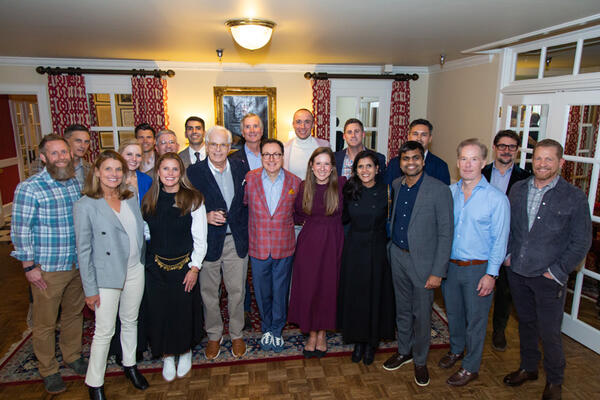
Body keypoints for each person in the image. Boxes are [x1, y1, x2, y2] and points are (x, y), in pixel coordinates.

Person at [503, 139, 592, 400]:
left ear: (560, 163)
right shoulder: (518, 190)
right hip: (518, 272)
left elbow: (581, 241)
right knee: (526, 324)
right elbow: (509, 227)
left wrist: (557, 271)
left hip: (549, 278)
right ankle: (529, 368)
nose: (542, 164)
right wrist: (508, 255)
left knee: (550, 332)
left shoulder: (574, 197)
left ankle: (555, 380)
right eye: (538, 158)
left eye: (548, 159)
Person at [10, 134, 87, 394]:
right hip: (48, 269)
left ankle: (72, 355)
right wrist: (29, 267)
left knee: (73, 314)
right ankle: (48, 369)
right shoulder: (29, 188)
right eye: (54, 153)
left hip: (76, 263)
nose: (61, 157)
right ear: (43, 158)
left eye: (64, 152)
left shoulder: (74, 183)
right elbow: (20, 231)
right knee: (44, 323)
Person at [74, 151, 149, 400]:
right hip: (106, 276)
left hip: (134, 269)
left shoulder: (130, 197)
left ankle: (130, 365)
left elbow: (138, 232)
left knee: (130, 321)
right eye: (108, 169)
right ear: (96, 172)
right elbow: (83, 251)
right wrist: (90, 289)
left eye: (118, 169)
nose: (114, 174)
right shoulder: (85, 205)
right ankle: (95, 382)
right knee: (104, 331)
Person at [439, 138, 509, 386]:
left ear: (484, 162)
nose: (468, 164)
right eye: (464, 159)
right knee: (454, 315)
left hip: (478, 269)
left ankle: (471, 366)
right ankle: (456, 350)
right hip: (451, 267)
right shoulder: (449, 193)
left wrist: (491, 275)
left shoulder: (496, 199)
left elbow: (500, 241)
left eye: (474, 159)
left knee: (476, 322)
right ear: (457, 162)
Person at [382, 141, 453, 385]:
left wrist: (438, 272)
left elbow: (446, 234)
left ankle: (420, 361)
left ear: (423, 161)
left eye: (415, 158)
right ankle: (405, 351)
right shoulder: (396, 185)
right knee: (402, 309)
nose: (410, 163)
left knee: (421, 314)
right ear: (400, 162)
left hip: (424, 263)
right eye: (405, 159)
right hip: (398, 256)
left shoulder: (439, 190)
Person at [142, 153, 207, 381]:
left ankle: (185, 351)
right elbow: (147, 233)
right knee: (160, 311)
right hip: (155, 267)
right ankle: (168, 355)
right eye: (165, 169)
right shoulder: (149, 199)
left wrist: (195, 268)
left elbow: (200, 238)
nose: (170, 174)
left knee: (182, 311)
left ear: (181, 172)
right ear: (158, 172)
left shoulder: (194, 199)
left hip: (184, 267)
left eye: (174, 169)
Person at [187, 126, 249, 360]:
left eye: (223, 145)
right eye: (213, 144)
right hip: (207, 242)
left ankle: (236, 334)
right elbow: (184, 206)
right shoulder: (194, 172)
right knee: (209, 293)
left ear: (230, 147)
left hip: (236, 241)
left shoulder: (241, 168)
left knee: (236, 291)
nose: (218, 149)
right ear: (206, 145)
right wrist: (204, 217)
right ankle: (214, 335)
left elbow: (246, 204)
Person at [337, 150, 395, 366]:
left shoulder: (387, 191)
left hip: (377, 248)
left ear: (377, 169)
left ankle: (372, 342)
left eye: (369, 166)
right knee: (357, 295)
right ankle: (358, 341)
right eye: (360, 167)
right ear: (355, 170)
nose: (365, 170)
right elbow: (343, 218)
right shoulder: (349, 189)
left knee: (374, 294)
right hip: (354, 248)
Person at [244, 139, 301, 352]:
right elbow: (243, 207)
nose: (271, 159)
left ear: (282, 157)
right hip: (258, 246)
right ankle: (266, 327)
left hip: (283, 246)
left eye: (276, 154)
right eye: (267, 154)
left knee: (280, 290)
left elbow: (298, 212)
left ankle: (277, 329)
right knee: (261, 291)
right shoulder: (250, 179)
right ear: (261, 157)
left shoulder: (295, 182)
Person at [288, 147, 345, 358]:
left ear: (332, 168)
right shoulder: (304, 187)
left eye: (326, 164)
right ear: (311, 166)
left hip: (333, 242)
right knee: (310, 288)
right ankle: (311, 333)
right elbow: (296, 214)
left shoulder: (341, 185)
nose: (322, 168)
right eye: (318, 163)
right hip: (309, 244)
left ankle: (322, 333)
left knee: (327, 288)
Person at [482, 130, 530, 352]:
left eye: (511, 146)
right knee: (478, 289)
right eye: (502, 146)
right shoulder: (481, 172)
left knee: (504, 292)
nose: (506, 150)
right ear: (494, 147)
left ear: (517, 150)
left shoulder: (525, 178)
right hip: (481, 242)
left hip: (508, 242)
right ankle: (475, 329)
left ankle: (499, 331)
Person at [228, 113, 264, 329]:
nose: (252, 130)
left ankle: (265, 306)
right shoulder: (233, 158)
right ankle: (246, 310)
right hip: (242, 220)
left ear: (262, 130)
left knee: (261, 268)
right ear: (242, 132)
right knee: (241, 269)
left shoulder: (274, 152)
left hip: (266, 222)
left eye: (256, 126)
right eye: (248, 127)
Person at [384, 119, 451, 185]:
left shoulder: (440, 166)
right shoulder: (394, 163)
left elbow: (443, 193)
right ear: (408, 137)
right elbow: (388, 192)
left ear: (430, 138)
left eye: (424, 135)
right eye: (415, 134)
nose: (419, 138)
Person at [283, 108, 329, 179]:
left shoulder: (324, 146)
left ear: (313, 124)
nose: (302, 126)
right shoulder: (284, 149)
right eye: (298, 122)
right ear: (293, 124)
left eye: (307, 122)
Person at [118, 139, 153, 205]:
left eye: (138, 155)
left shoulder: (147, 180)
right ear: (120, 155)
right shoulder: (112, 179)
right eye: (129, 154)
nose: (134, 159)